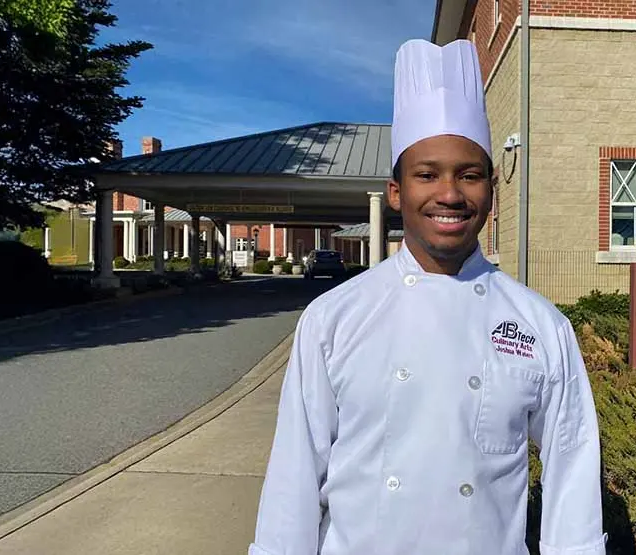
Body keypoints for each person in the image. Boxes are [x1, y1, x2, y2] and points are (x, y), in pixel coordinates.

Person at [247, 38, 606, 555]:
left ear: (491, 192)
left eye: (469, 175)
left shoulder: (540, 326)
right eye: (427, 174)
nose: (450, 194)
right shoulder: (334, 318)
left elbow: (573, 468)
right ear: (396, 192)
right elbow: (294, 476)